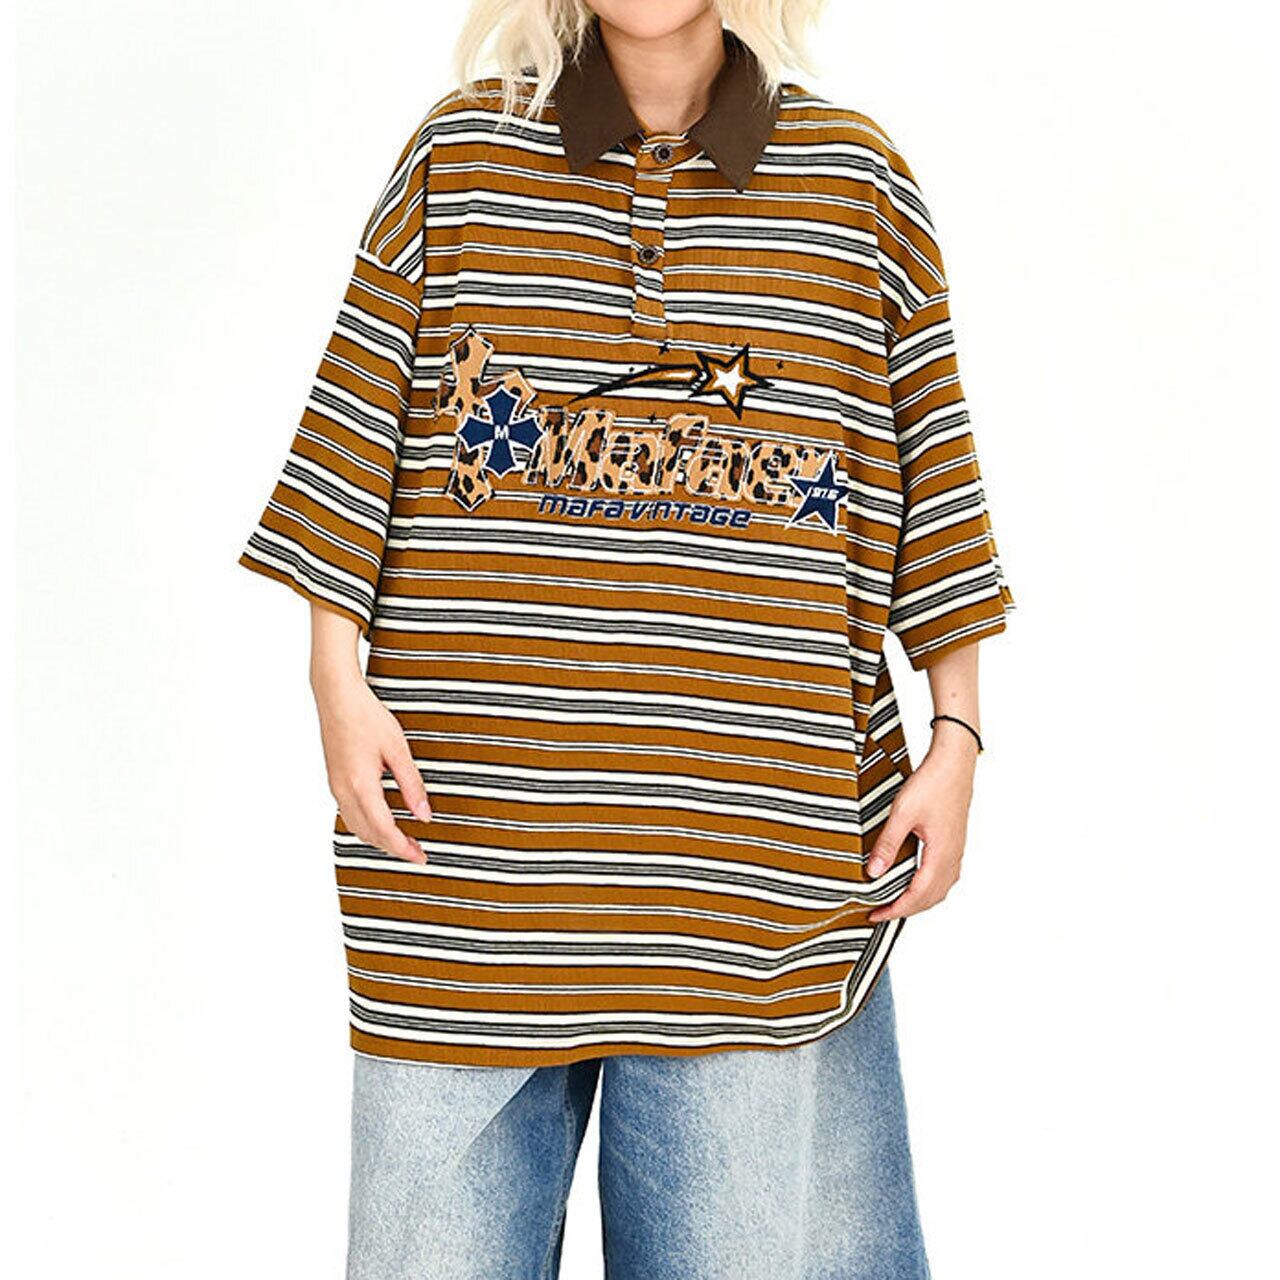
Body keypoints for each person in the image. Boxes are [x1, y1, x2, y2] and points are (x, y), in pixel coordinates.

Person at [237, 1, 1016, 1274]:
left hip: (745, 870)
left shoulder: (853, 182)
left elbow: (931, 470)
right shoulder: (460, 158)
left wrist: (956, 733)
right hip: (468, 861)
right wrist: (335, 678)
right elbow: (352, 426)